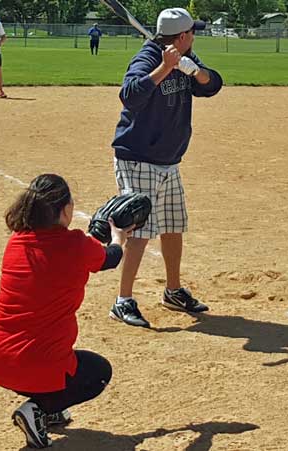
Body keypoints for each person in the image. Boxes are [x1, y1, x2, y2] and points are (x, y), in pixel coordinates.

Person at [0, 174, 133, 449]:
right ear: (65, 210)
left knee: (49, 357)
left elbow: (62, 251)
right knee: (98, 372)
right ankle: (39, 408)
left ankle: (49, 407)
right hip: (32, 364)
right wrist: (118, 237)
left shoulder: (17, 241)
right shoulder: (76, 246)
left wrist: (93, 237)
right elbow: (110, 258)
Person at [109, 8, 223, 328]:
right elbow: (130, 96)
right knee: (140, 231)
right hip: (139, 157)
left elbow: (213, 84)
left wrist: (192, 70)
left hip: (169, 160)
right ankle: (123, 300)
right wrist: (165, 68)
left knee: (173, 225)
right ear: (183, 36)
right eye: (193, 33)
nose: (195, 37)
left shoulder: (187, 57)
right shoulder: (147, 58)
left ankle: (173, 290)